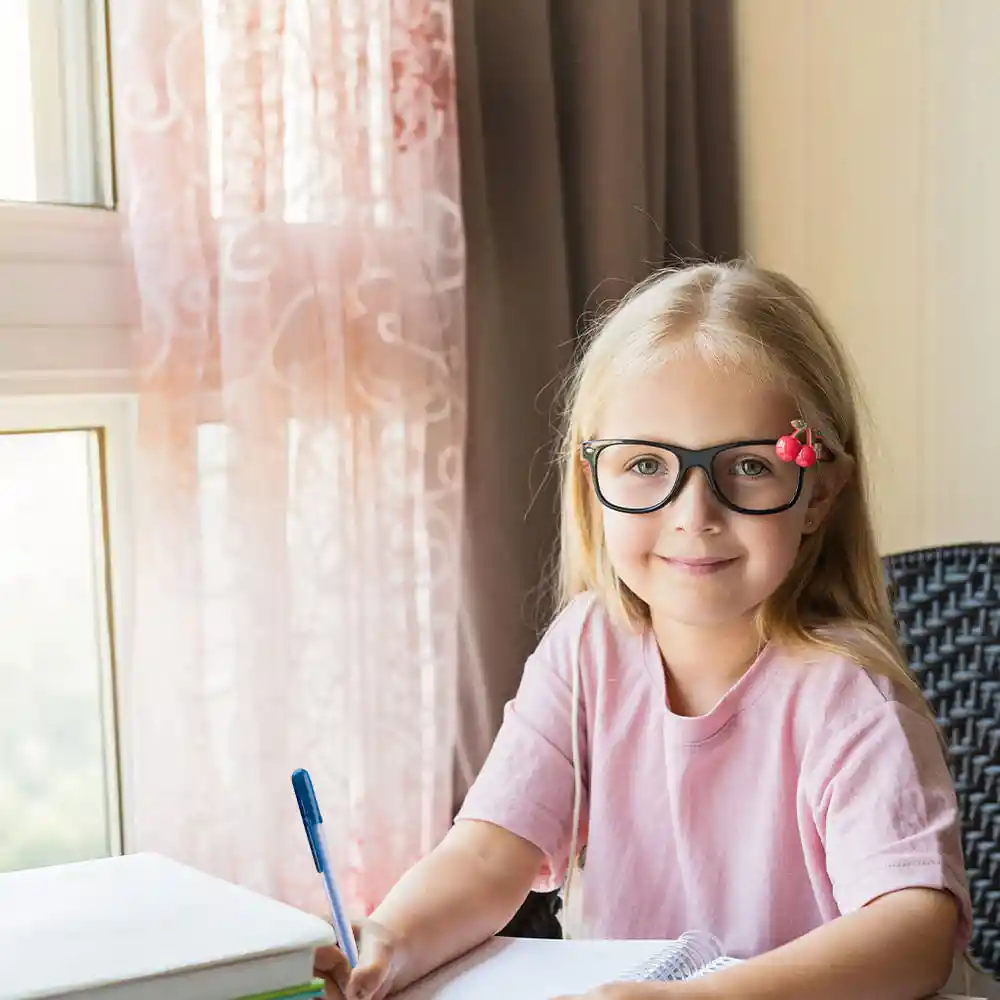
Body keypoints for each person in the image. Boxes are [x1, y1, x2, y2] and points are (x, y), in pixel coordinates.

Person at [317, 263, 971, 1000]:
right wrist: (389, 941)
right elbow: (488, 853)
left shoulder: (849, 700)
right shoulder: (586, 649)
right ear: (591, 484)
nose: (695, 514)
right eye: (646, 464)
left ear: (817, 494)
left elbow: (915, 931)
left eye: (750, 465)